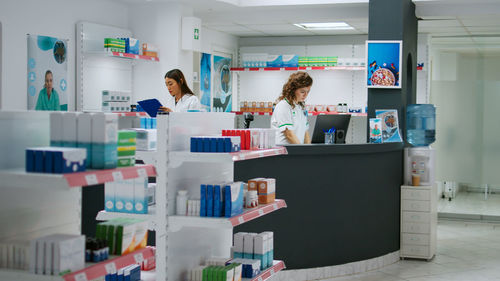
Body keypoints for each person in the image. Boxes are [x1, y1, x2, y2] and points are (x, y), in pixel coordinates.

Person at [271, 71, 313, 145]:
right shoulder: (283, 106)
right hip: (284, 152)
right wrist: (302, 151)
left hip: (296, 150)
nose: (306, 95)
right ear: (293, 90)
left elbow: (305, 132)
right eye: (302, 92)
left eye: (308, 92)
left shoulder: (300, 107)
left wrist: (309, 151)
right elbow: (289, 135)